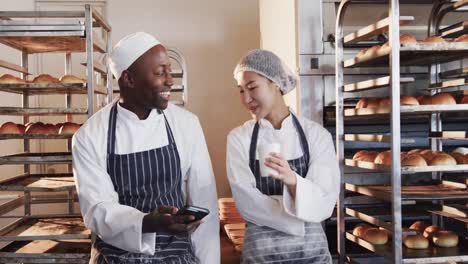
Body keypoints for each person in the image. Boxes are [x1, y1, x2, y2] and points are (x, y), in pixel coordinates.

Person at [72, 32, 220, 264]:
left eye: (169, 71)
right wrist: (147, 222)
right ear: (129, 79)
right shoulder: (90, 135)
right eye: (160, 72)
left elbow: (205, 202)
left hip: (177, 257)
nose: (170, 80)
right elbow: (97, 210)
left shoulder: (186, 124)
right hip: (115, 258)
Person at [226, 49, 340, 263]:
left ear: (276, 83)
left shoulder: (315, 135)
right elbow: (246, 202)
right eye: (241, 90)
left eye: (252, 87)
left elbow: (326, 200)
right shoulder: (239, 138)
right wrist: (299, 214)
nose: (246, 98)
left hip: (311, 255)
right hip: (261, 254)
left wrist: (293, 181)